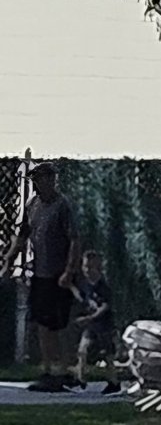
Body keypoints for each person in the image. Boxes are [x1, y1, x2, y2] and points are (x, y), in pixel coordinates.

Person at [0, 162, 80, 391]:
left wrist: (69, 271)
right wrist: (8, 261)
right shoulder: (33, 204)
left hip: (59, 273)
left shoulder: (63, 206)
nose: (37, 183)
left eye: (42, 178)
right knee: (41, 324)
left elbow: (74, 239)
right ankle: (50, 371)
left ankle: (63, 371)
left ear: (52, 180)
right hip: (40, 272)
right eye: (35, 179)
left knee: (57, 325)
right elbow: (22, 236)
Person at [73, 250, 120, 394]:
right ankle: (80, 380)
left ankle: (114, 382)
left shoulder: (103, 287)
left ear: (98, 268)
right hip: (91, 326)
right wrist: (70, 286)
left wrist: (88, 318)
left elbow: (104, 307)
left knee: (107, 355)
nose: (87, 270)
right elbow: (82, 298)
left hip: (104, 324)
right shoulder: (85, 285)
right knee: (82, 350)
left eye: (90, 267)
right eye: (85, 267)